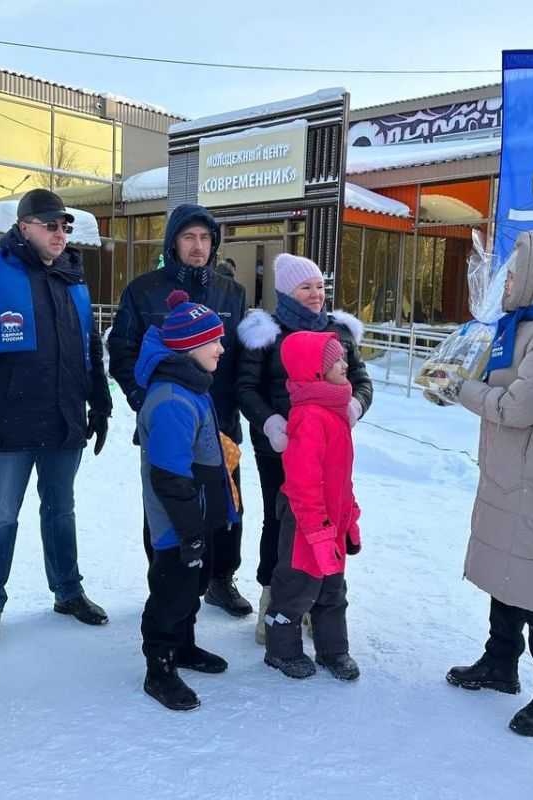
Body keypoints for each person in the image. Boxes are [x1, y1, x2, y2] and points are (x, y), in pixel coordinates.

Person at [440, 229, 533, 737]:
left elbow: (519, 407)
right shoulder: (524, 324)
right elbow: (497, 386)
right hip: (511, 472)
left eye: (515, 271)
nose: (505, 281)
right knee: (503, 572)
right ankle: (500, 662)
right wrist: (454, 374)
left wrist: (462, 389)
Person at [0, 189, 113, 648]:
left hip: (65, 419)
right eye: (50, 224)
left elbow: (91, 348)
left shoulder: (73, 278)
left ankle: (68, 591)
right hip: (11, 423)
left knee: (60, 511)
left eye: (65, 226)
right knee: (1, 517)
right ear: (24, 226)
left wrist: (100, 403)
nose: (60, 233)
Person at [109, 203, 252, 617]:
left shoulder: (232, 293)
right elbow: (121, 351)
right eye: (189, 237)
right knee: (167, 504)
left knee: (226, 506)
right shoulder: (143, 290)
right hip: (168, 423)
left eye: (206, 238)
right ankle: (165, 580)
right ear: (173, 242)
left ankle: (221, 580)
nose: (198, 246)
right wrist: (146, 400)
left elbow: (241, 358)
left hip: (220, 422)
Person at [237, 253, 371, 644]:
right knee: (281, 523)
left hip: (329, 449)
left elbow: (361, 379)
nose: (315, 295)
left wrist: (356, 405)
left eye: (319, 287)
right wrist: (270, 422)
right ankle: (273, 601)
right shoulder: (266, 333)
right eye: (306, 287)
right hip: (279, 448)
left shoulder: (339, 332)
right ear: (285, 291)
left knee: (327, 518)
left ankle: (316, 600)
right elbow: (246, 387)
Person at [136, 290, 236, 711]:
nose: (221, 347)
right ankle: (159, 668)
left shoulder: (191, 383)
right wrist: (190, 532)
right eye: (213, 340)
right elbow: (170, 476)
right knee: (172, 593)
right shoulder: (174, 400)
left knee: (192, 586)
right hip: (177, 523)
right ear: (189, 346)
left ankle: (184, 646)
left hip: (195, 515)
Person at [263, 331, 362, 682]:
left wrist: (349, 517)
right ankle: (281, 649)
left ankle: (333, 649)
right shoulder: (310, 416)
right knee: (296, 587)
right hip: (306, 524)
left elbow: (341, 476)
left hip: (332, 521)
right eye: (335, 360)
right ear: (315, 371)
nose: (344, 364)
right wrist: (318, 531)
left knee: (333, 590)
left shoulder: (335, 411)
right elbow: (304, 483)